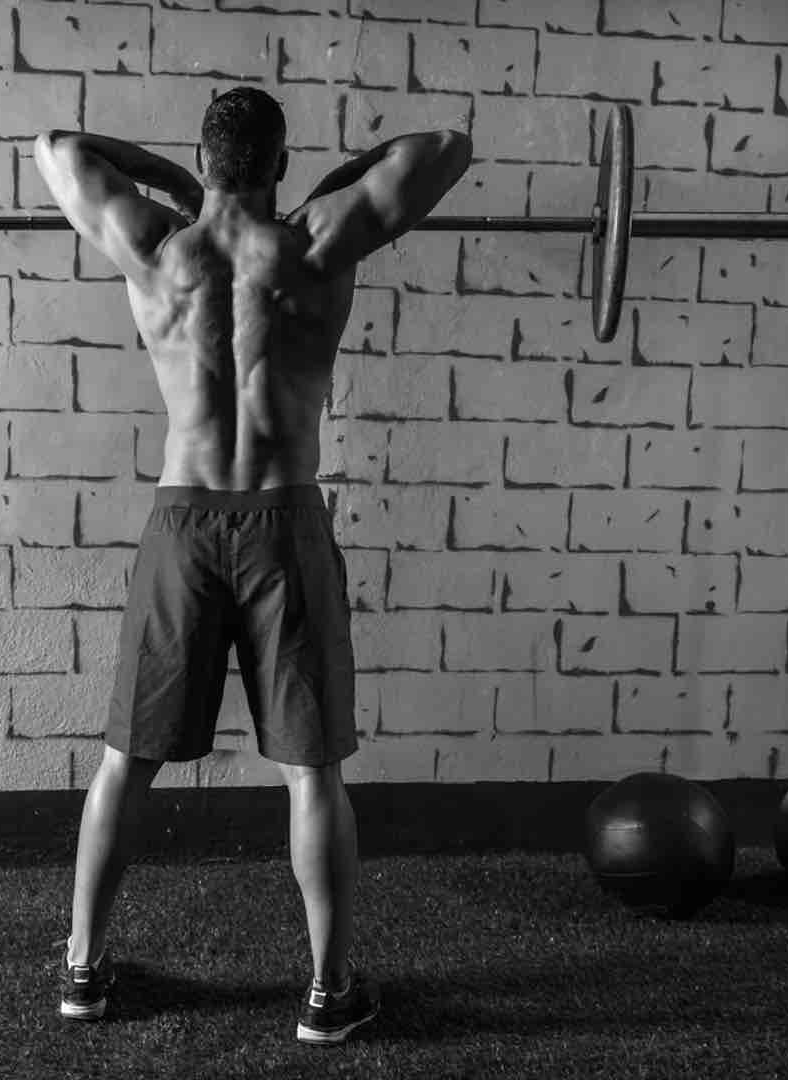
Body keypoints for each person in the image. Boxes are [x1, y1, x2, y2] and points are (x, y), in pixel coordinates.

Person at [31, 87, 473, 1045]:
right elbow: (444, 147)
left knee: (124, 763)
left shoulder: (154, 243)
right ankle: (328, 992)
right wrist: (332, 178)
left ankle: (82, 972)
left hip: (181, 522)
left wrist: (167, 176)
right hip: (283, 520)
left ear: (204, 158)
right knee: (312, 774)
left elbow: (54, 146)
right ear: (276, 164)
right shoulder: (318, 238)